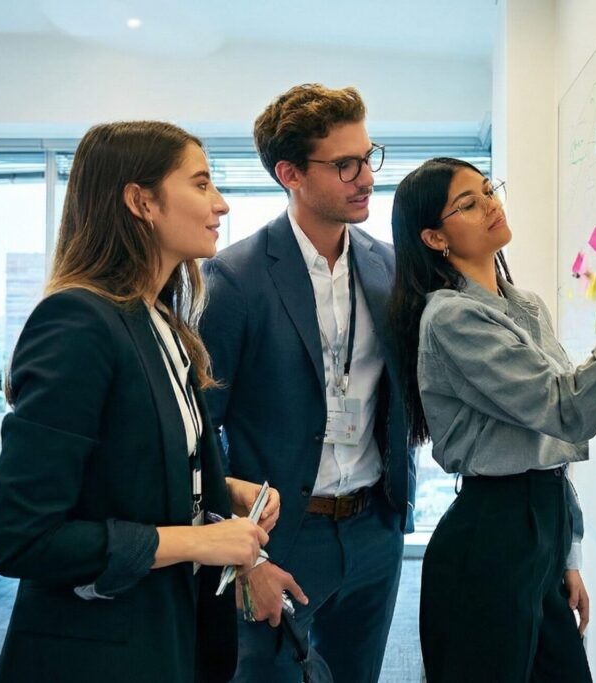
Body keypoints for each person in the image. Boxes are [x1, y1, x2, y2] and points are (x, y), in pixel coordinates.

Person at [0, 121, 278, 683]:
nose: (220, 204)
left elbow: (130, 468)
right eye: (200, 184)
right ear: (141, 200)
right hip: (101, 650)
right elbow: (23, 538)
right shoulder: (77, 321)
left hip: (170, 628)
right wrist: (199, 540)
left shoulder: (161, 321)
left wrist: (220, 492)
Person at [388, 158, 596, 683]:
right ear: (434, 238)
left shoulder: (525, 305)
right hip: (491, 535)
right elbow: (569, 410)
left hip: (541, 525)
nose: (490, 204)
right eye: (468, 203)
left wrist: (566, 552)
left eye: (488, 190)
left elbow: (555, 441)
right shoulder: (451, 316)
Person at [199, 83, 416, 683]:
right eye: (344, 165)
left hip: (375, 524)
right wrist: (245, 556)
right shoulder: (233, 278)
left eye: (368, 158)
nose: (365, 177)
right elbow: (199, 431)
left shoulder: (389, 266)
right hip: (281, 534)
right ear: (289, 173)